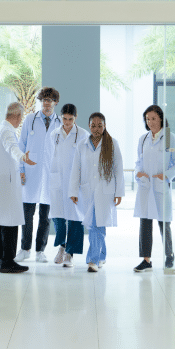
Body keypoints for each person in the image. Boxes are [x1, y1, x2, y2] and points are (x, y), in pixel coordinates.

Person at [0, 102, 36, 273]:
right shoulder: (7, 131)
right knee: (11, 223)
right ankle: (8, 262)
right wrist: (23, 157)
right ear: (18, 116)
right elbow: (12, 148)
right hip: (6, 184)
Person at [69, 112, 124, 272]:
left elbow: (118, 169)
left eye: (100, 125)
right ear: (89, 126)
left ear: (104, 126)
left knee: (97, 224)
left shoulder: (112, 143)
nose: (96, 129)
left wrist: (118, 192)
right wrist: (73, 190)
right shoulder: (82, 144)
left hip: (105, 191)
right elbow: (76, 169)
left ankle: (92, 260)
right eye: (93, 125)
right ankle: (101, 255)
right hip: (87, 190)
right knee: (95, 225)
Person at [133, 105, 175, 272]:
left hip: (160, 186)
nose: (150, 122)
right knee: (145, 223)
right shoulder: (143, 139)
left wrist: (165, 176)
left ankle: (169, 255)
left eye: (153, 118)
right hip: (146, 187)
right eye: (147, 119)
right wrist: (138, 173)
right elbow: (138, 162)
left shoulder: (169, 137)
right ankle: (146, 260)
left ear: (161, 118)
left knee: (164, 223)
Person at [16, 87, 61, 263]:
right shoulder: (30, 120)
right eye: (44, 100)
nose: (46, 103)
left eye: (50, 100)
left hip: (50, 174)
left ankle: (40, 251)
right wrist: (20, 169)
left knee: (45, 215)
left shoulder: (59, 123)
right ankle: (25, 249)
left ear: (55, 102)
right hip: (30, 172)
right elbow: (21, 145)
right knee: (27, 214)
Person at [41, 104, 89, 268]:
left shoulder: (83, 135)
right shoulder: (53, 134)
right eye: (64, 119)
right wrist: (48, 180)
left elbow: (87, 161)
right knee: (58, 216)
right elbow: (47, 159)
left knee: (75, 217)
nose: (67, 123)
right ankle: (62, 246)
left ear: (75, 118)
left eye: (70, 119)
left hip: (75, 182)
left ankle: (70, 253)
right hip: (57, 181)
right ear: (61, 117)